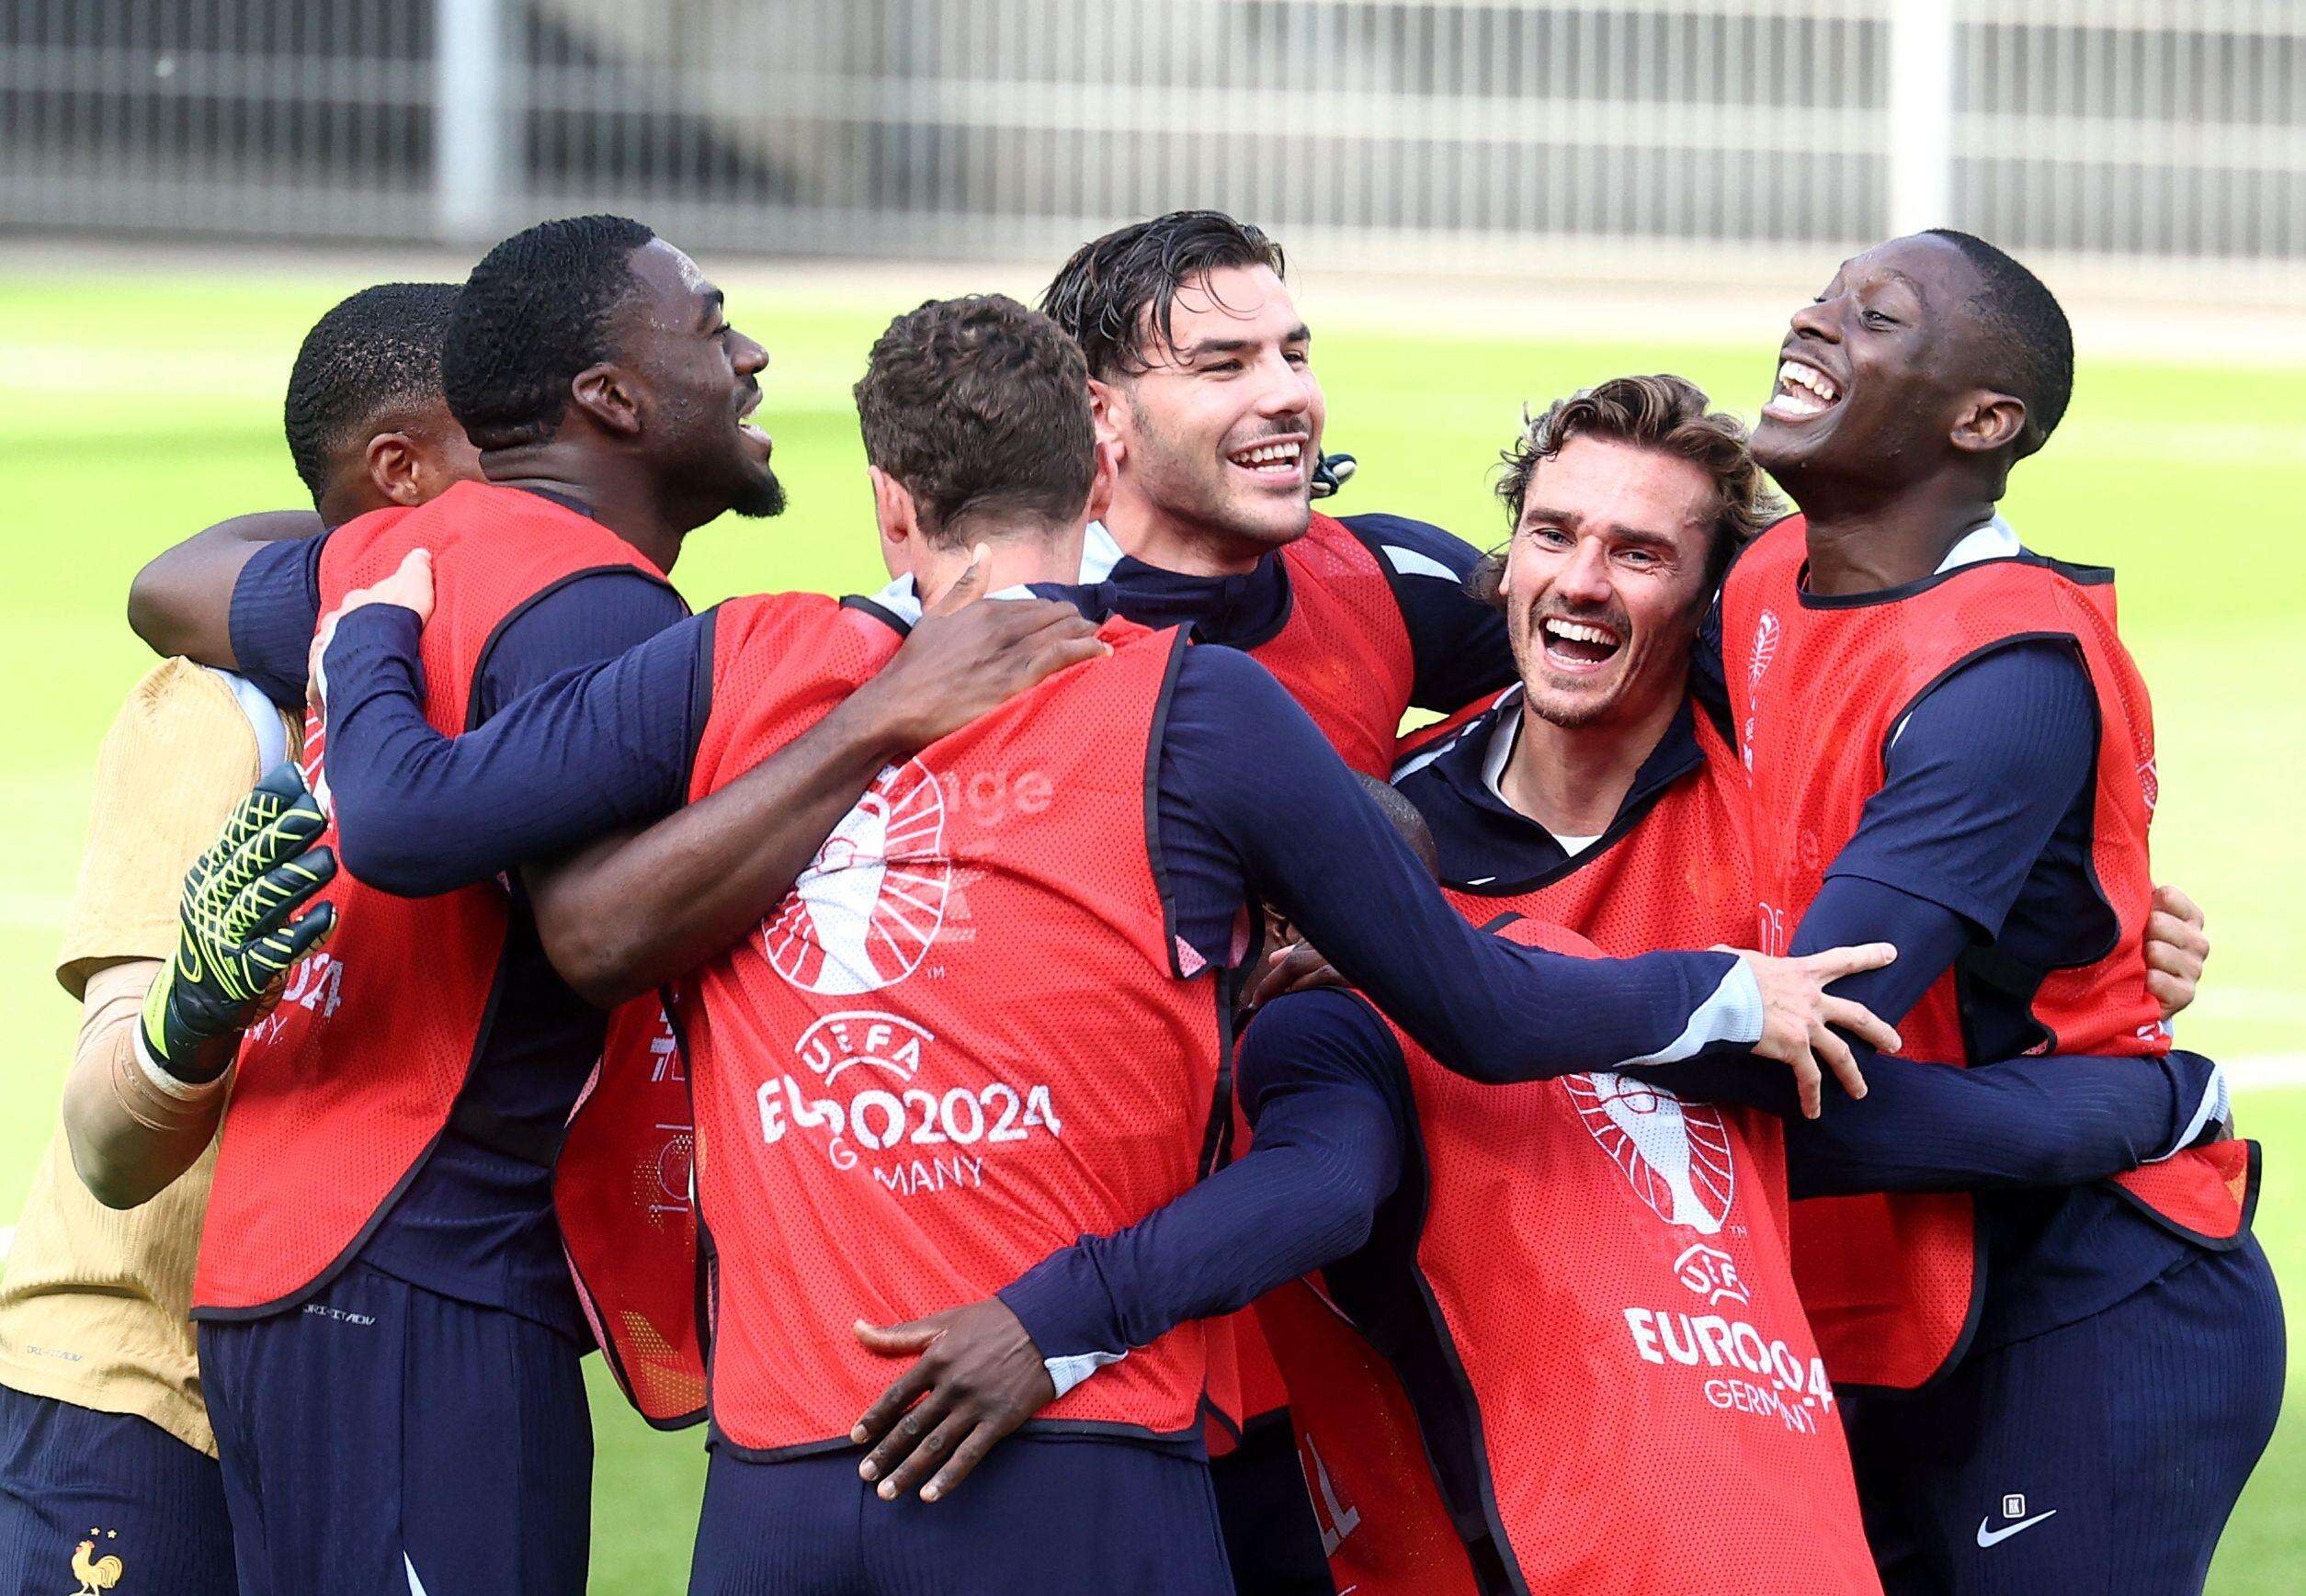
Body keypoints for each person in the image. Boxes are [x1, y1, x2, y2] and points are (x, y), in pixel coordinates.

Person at [303, 294, 1896, 1593]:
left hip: (783, 1480)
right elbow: (1474, 1005)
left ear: (891, 498)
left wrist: (370, 620)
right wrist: (1721, 990)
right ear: (1098, 462)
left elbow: (413, 821)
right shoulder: (1201, 711)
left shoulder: (736, 662)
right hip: (1079, 1459)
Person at [835, 376, 2226, 1595]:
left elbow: (1842, 1064)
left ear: (1705, 604)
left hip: (1831, 1364)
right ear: (1500, 566)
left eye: (1638, 553)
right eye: (1552, 536)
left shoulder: (1781, 796)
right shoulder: (1383, 837)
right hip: (1465, 1442)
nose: (1579, 580)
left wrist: (2120, 977)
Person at [1723, 229, 2282, 1592]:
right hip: (1882, 1284)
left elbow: (1799, 1036)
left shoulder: (2001, 670)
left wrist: (1485, 1024)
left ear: (1984, 418)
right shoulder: (1752, 585)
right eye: (1822, 294)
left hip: (2086, 1281)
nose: (1813, 321)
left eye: (1874, 316)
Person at [1039, 210, 1520, 1582]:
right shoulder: (992, 638)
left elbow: (1673, 691)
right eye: (1223, 361)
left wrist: (2068, 878)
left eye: (1293, 351)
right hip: (1092, 1318)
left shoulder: (1381, 573)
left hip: (1360, 1294)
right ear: (1100, 415)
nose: (1286, 394)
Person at [0, 283, 471, 1596]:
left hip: (339, 1400)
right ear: (410, 466)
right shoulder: (222, 715)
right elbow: (108, 1139)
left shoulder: (498, 722)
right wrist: (192, 1004)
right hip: (138, 1401)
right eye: (514, 440)